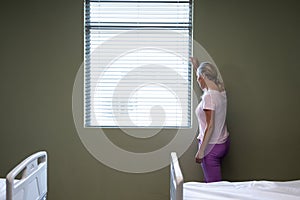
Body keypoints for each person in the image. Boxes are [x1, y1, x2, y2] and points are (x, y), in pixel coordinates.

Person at [190, 57, 230, 183]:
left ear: (203, 76)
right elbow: (206, 85)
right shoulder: (221, 90)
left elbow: (210, 126)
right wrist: (197, 67)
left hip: (211, 148)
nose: (197, 80)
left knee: (213, 186)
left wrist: (201, 152)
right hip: (223, 143)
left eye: (198, 78)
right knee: (212, 184)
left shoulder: (208, 97)